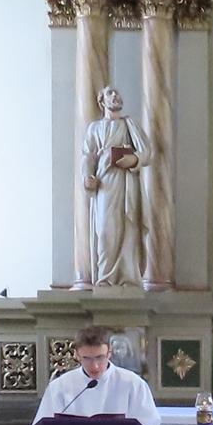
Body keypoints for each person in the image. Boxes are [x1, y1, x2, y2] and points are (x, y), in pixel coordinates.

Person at [32, 326, 161, 425]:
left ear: (109, 353)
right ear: (77, 355)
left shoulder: (133, 384)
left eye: (100, 357)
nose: (95, 366)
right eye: (87, 358)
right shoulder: (60, 386)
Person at [82, 85, 151, 287]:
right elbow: (87, 155)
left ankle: (128, 278)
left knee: (128, 229)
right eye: (110, 93)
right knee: (105, 231)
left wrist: (134, 159)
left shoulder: (130, 125)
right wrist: (88, 177)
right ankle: (105, 278)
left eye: (117, 93)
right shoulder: (94, 128)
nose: (115, 96)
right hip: (104, 185)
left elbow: (146, 152)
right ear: (102, 101)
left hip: (126, 185)